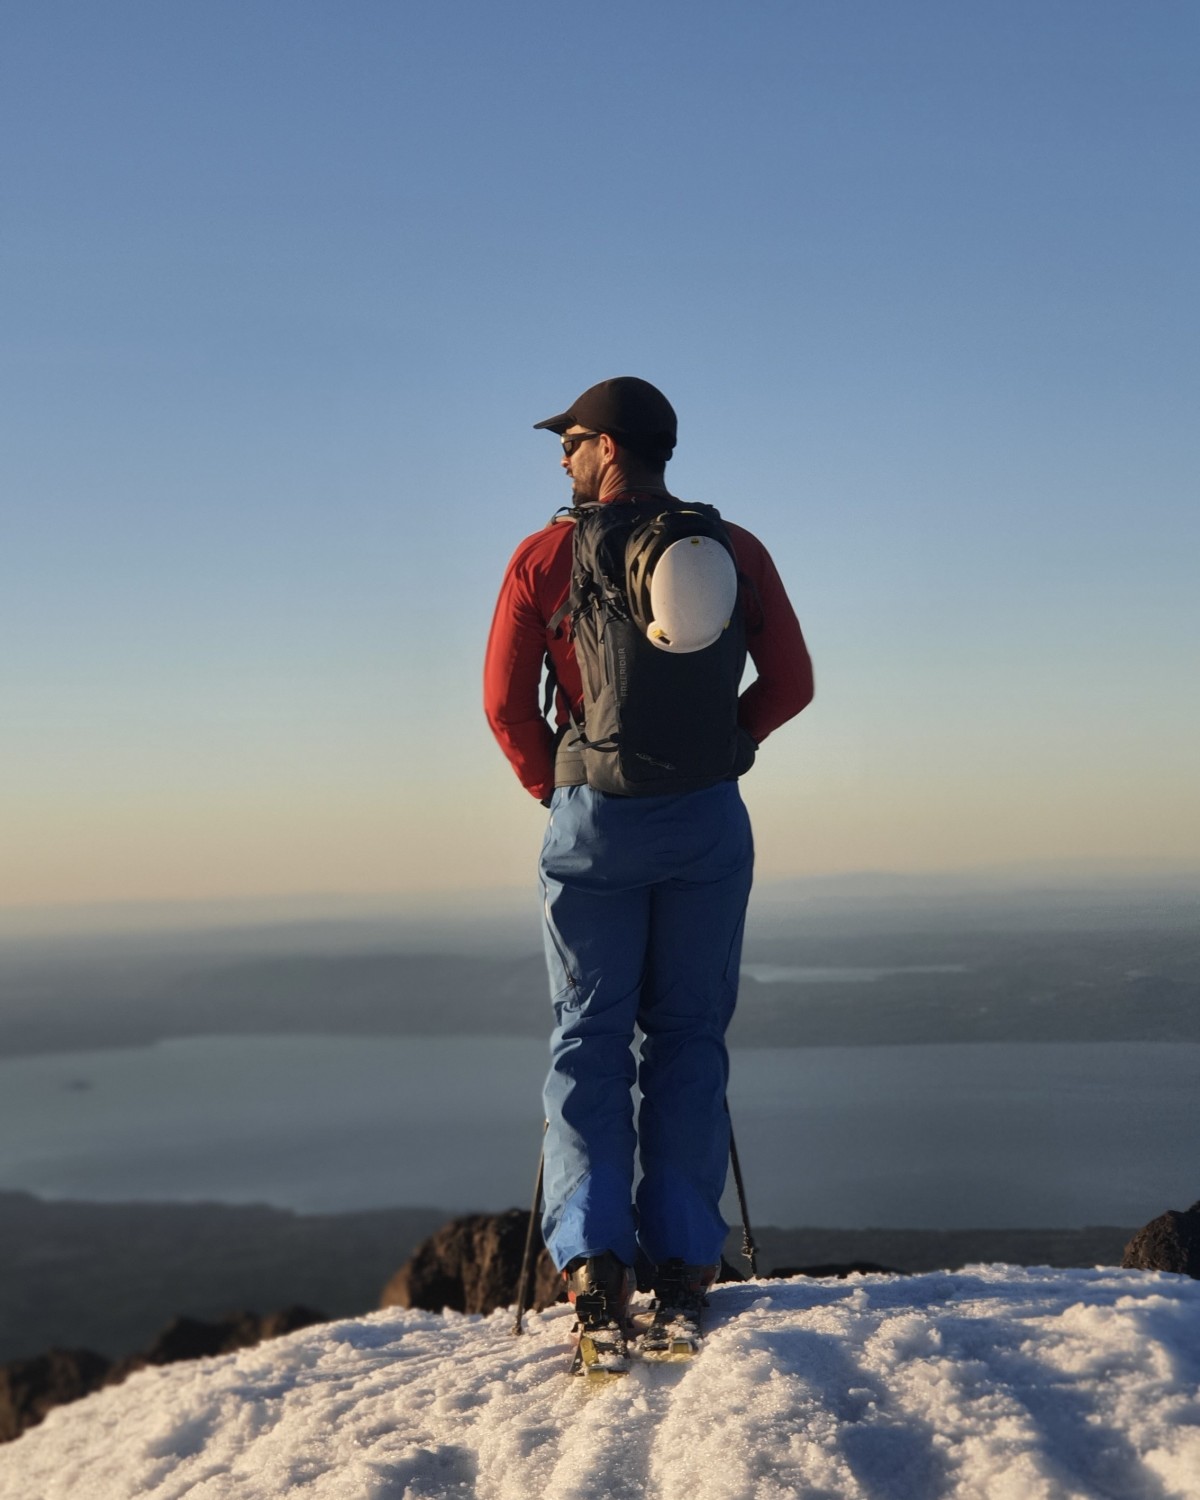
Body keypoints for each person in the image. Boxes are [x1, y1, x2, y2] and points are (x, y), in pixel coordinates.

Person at [484, 376, 813, 1354]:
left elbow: (505, 706)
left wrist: (560, 788)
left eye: (572, 441)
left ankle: (593, 1261)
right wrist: (728, 747)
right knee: (688, 1035)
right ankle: (683, 1258)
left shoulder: (544, 557)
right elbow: (791, 683)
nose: (562, 457)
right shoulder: (733, 550)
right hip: (707, 819)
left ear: (611, 448)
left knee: (589, 1034)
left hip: (594, 821)